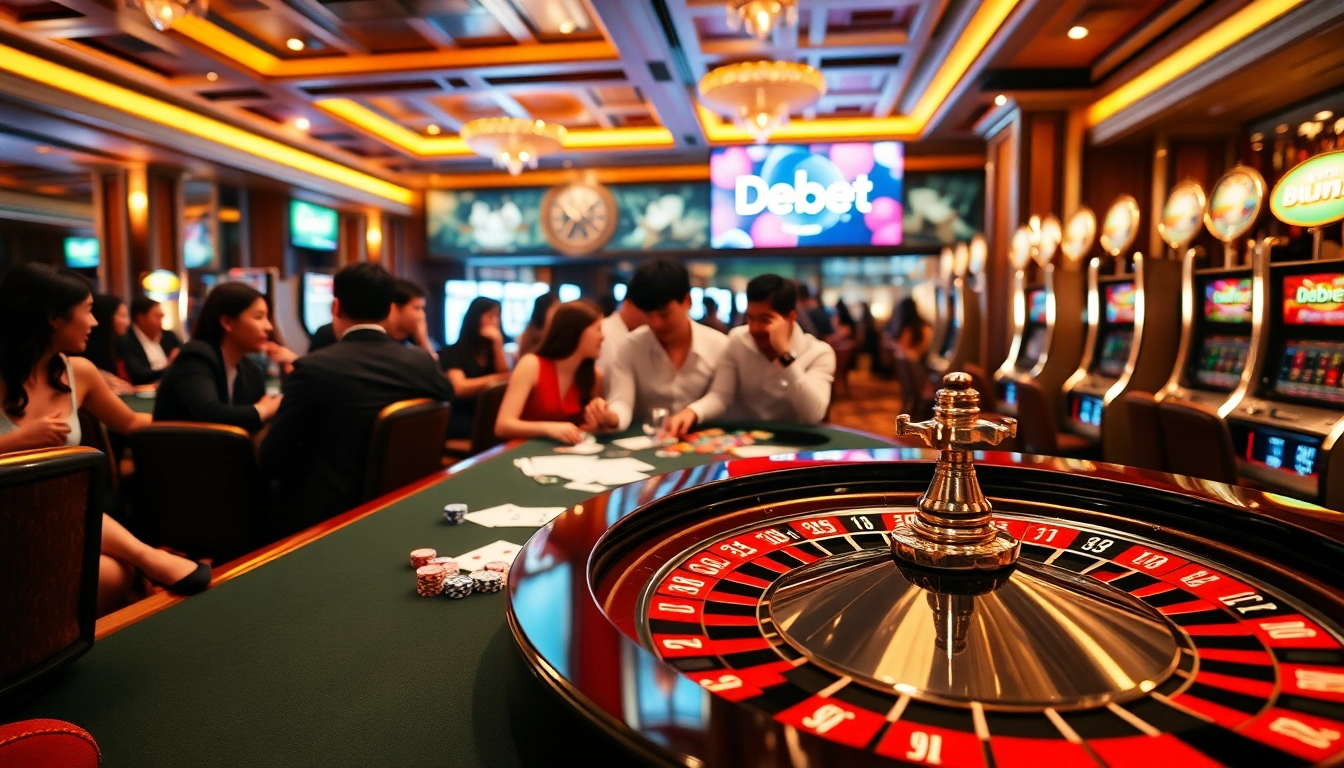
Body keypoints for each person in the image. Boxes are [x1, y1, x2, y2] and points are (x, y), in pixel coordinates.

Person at [0, 263, 209, 615]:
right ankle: (148, 557)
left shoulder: (79, 372)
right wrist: (18, 442)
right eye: (87, 311)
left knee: (113, 572)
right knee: (107, 561)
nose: (95, 322)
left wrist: (203, 421)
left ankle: (144, 560)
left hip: (54, 516)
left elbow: (131, 422)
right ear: (53, 318)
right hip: (12, 519)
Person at [259, 263, 454, 533]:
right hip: (406, 499)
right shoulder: (421, 363)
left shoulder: (313, 368)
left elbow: (272, 456)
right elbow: (447, 399)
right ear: (389, 310)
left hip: (328, 514)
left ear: (336, 307)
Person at [666, 275, 835, 435]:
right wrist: (692, 412)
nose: (753, 328)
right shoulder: (738, 339)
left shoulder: (819, 353)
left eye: (765, 319)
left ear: (790, 318)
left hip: (793, 444)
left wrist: (785, 355)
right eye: (750, 318)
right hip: (745, 442)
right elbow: (721, 396)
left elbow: (813, 415)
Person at [606, 259, 728, 432]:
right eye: (648, 315)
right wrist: (612, 418)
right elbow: (622, 401)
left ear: (687, 301)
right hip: (648, 439)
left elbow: (721, 396)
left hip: (703, 438)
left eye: (665, 314)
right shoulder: (631, 345)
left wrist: (693, 412)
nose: (656, 323)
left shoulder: (719, 345)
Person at [153, 282, 287, 433]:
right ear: (227, 322)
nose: (269, 327)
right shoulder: (196, 356)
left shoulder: (250, 370)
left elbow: (253, 427)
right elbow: (209, 413)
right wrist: (262, 410)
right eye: (258, 317)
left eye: (267, 318)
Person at [495, 300, 617, 445]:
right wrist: (549, 428)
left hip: (565, 452)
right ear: (575, 331)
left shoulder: (594, 375)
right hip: (523, 449)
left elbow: (583, 429)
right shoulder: (531, 364)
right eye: (598, 329)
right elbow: (502, 426)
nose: (603, 337)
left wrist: (597, 420)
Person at [440, 297, 510, 441]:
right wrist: (494, 379)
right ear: (475, 318)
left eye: (497, 316)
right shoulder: (453, 352)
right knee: (494, 428)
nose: (493, 321)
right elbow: (460, 388)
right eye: (489, 315)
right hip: (460, 415)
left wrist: (498, 343)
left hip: (486, 413)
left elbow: (505, 378)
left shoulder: (493, 353)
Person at [117, 295, 181, 385]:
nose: (161, 321)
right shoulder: (126, 341)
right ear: (141, 318)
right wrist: (168, 368)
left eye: (162, 317)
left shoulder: (169, 336)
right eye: (157, 317)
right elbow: (137, 374)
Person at [80, 294, 132, 394]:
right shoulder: (84, 350)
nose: (128, 322)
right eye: (122, 316)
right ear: (106, 316)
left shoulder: (119, 344)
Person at [595, 294, 645, 380]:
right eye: (644, 308)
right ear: (627, 304)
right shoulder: (604, 331)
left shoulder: (648, 334)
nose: (650, 315)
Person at [516, 292, 558, 358]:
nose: (558, 312)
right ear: (545, 310)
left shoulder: (530, 330)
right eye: (556, 307)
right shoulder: (535, 334)